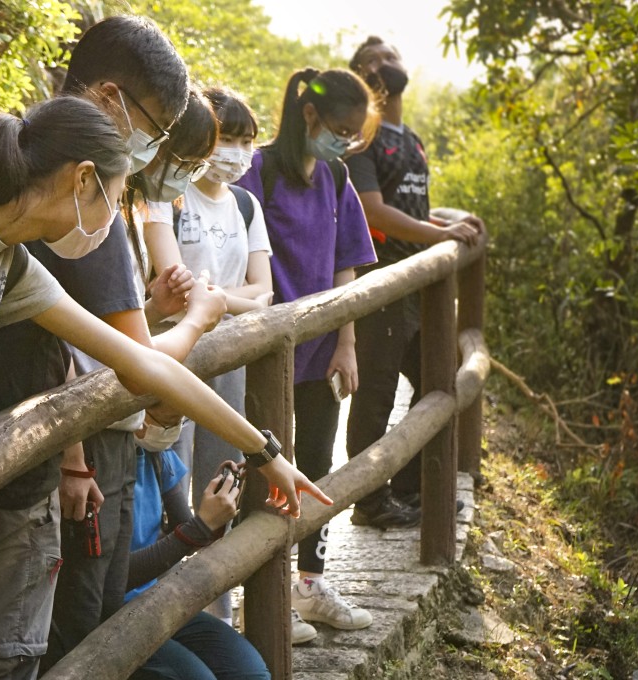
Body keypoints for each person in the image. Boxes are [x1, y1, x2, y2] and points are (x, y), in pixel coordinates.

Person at [0, 95, 329, 680]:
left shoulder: (9, 261)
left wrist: (264, 451)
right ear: (83, 179)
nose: (108, 225)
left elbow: (145, 366)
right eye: (116, 200)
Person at [44, 86, 226, 671]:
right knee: (78, 617)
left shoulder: (120, 205)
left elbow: (104, 339)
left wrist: (147, 312)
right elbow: (112, 359)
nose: (181, 170)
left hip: (114, 436)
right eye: (181, 154)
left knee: (98, 600)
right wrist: (195, 320)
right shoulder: (90, 211)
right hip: (93, 442)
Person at [236, 67, 378, 644]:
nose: (346, 142)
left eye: (355, 133)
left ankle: (311, 585)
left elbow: (346, 265)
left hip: (320, 351)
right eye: (340, 129)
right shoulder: (259, 170)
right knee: (262, 469)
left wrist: (346, 341)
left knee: (317, 464)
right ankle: (259, 597)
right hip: (264, 354)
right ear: (311, 115)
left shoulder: (337, 176)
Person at [344, 36, 484, 529]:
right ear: (363, 79)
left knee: (436, 378)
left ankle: (408, 487)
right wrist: (442, 233)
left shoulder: (413, 139)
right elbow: (372, 208)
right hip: (379, 279)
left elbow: (415, 206)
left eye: (389, 58)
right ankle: (368, 500)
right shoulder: (363, 136)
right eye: (370, 64)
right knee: (376, 391)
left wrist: (436, 233)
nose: (383, 66)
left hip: (418, 285)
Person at [144, 86, 272, 623]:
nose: (237, 153)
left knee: (222, 476)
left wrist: (214, 300)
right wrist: (220, 300)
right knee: (171, 479)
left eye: (247, 142)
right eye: (229, 139)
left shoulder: (246, 204)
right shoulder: (169, 195)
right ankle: (162, 603)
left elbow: (264, 291)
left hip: (229, 358)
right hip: (174, 355)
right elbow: (171, 283)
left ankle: (216, 609)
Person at [121, 441, 268, 680]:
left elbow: (183, 526)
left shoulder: (158, 453)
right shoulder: (101, 464)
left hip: (150, 601)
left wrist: (217, 509)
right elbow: (113, 578)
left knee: (250, 673)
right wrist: (200, 527)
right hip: (107, 613)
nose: (181, 421)